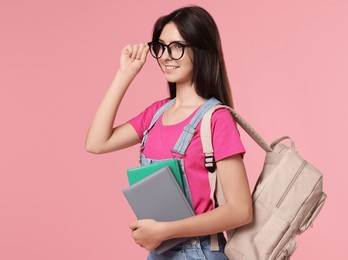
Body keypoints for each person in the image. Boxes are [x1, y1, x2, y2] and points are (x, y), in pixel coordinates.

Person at [85, 5, 252, 259]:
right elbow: (96, 143)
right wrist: (125, 74)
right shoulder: (154, 115)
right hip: (159, 253)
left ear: (201, 50)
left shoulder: (216, 119)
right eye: (161, 47)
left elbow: (241, 210)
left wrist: (165, 231)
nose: (165, 56)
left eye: (177, 47)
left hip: (201, 253)